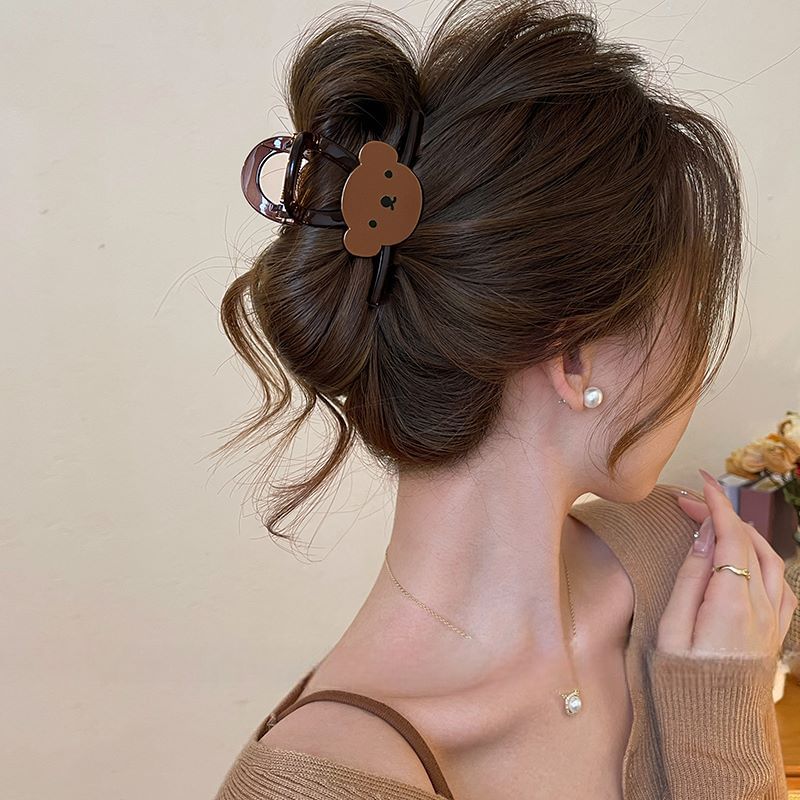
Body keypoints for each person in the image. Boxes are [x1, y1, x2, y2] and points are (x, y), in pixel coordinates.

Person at [212, 0, 799, 797]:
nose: (700, 364)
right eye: (691, 311)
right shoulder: (326, 782)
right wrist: (720, 724)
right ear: (575, 358)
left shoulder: (686, 558)